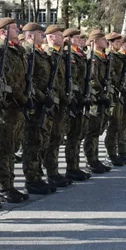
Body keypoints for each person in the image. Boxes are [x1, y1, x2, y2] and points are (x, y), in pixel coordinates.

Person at [0, 17, 29, 203]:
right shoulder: (0, 51)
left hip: (17, 107)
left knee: (12, 147)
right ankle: (4, 186)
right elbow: (5, 80)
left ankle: (10, 184)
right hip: (6, 106)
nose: (18, 30)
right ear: (3, 32)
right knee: (4, 148)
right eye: (13, 28)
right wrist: (19, 96)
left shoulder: (16, 51)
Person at [20, 23, 58, 195]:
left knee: (41, 141)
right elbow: (29, 81)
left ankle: (37, 175)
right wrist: (42, 97)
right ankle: (31, 179)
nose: (43, 35)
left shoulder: (40, 53)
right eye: (38, 33)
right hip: (35, 104)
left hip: (43, 103)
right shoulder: (28, 53)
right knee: (32, 142)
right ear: (29, 36)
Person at [42, 25, 72, 187]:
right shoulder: (48, 54)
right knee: (47, 139)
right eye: (61, 35)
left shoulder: (61, 55)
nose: (64, 38)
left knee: (56, 138)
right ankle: (44, 173)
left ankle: (53, 171)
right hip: (50, 103)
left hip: (60, 103)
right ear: (52, 37)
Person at [62, 28, 90, 180]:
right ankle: (70, 168)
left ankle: (75, 166)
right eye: (77, 38)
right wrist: (74, 98)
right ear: (69, 39)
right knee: (72, 135)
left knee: (77, 135)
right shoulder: (68, 56)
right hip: (72, 100)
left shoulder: (80, 55)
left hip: (80, 99)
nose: (80, 40)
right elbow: (70, 79)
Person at [83, 29, 112, 174]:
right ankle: (91, 160)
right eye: (103, 39)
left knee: (98, 129)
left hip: (101, 99)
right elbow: (93, 79)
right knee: (92, 130)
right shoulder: (93, 57)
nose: (106, 42)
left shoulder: (102, 57)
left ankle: (95, 158)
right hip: (95, 100)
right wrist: (101, 95)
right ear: (95, 41)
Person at [103, 32, 126, 167]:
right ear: (111, 43)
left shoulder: (119, 56)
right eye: (117, 42)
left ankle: (115, 152)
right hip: (112, 95)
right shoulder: (109, 56)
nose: (120, 44)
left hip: (118, 94)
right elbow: (110, 77)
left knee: (117, 124)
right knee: (112, 125)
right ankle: (110, 153)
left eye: (120, 42)